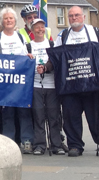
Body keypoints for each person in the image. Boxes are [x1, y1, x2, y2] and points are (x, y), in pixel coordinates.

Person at [51, 6, 99, 157]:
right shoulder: (63, 35)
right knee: (71, 115)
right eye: (71, 16)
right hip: (70, 85)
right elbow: (56, 57)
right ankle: (75, 145)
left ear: (84, 17)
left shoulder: (96, 32)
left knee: (98, 115)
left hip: (93, 84)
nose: (74, 18)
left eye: (77, 15)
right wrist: (46, 67)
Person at [0, 8, 35, 154]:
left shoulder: (21, 38)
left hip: (20, 83)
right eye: (6, 18)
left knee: (24, 112)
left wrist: (29, 57)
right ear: (2, 21)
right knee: (7, 114)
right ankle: (9, 142)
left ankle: (26, 141)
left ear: (15, 21)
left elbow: (26, 55)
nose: (8, 21)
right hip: (4, 84)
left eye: (11, 18)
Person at [29, 19, 64, 155]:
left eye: (42, 27)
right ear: (32, 30)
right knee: (38, 116)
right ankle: (39, 145)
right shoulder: (28, 46)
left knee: (54, 116)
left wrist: (46, 68)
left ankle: (56, 144)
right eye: (37, 28)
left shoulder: (52, 44)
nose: (40, 30)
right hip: (35, 85)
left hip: (51, 85)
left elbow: (57, 62)